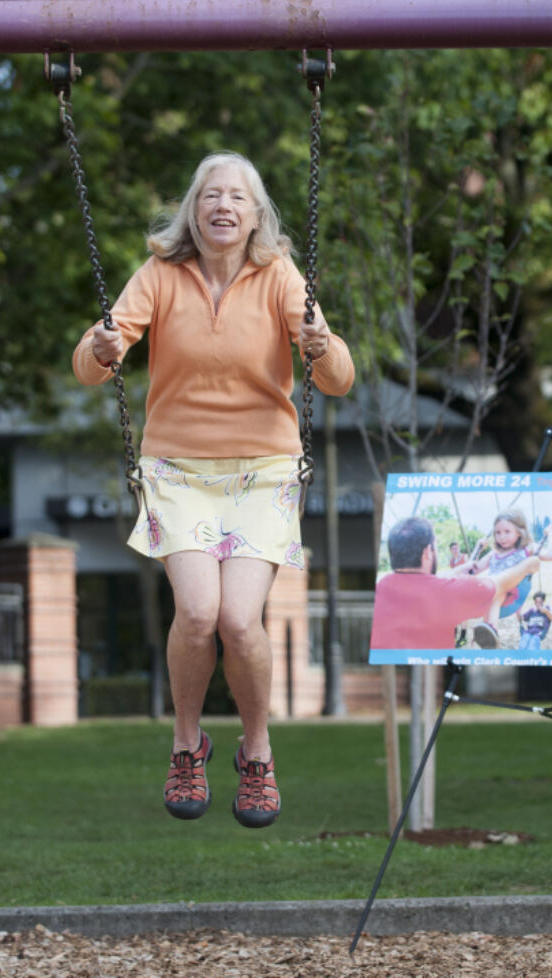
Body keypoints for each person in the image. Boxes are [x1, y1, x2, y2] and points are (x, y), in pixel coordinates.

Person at [72, 151, 355, 829]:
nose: (223, 206)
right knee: (198, 614)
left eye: (237, 197)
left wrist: (320, 344)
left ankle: (256, 751)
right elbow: (90, 364)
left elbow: (340, 378)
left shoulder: (280, 276)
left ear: (257, 215)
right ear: (191, 212)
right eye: (209, 196)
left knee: (238, 621)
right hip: (180, 471)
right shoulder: (161, 276)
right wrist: (102, 349)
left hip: (263, 470)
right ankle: (185, 744)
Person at [370, 517, 543, 650]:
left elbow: (431, 579)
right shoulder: (447, 593)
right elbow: (499, 584)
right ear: (427, 553)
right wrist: (527, 565)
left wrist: (462, 567)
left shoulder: (380, 588)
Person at [454, 509, 552, 646]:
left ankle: (491, 630)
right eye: (498, 533)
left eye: (507, 532)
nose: (502, 537)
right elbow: (473, 570)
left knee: (497, 592)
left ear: (520, 532)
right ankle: (487, 638)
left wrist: (551, 533)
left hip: (511, 592)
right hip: (489, 591)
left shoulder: (528, 548)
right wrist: (477, 550)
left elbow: (551, 555)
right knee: (487, 590)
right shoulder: (495, 553)